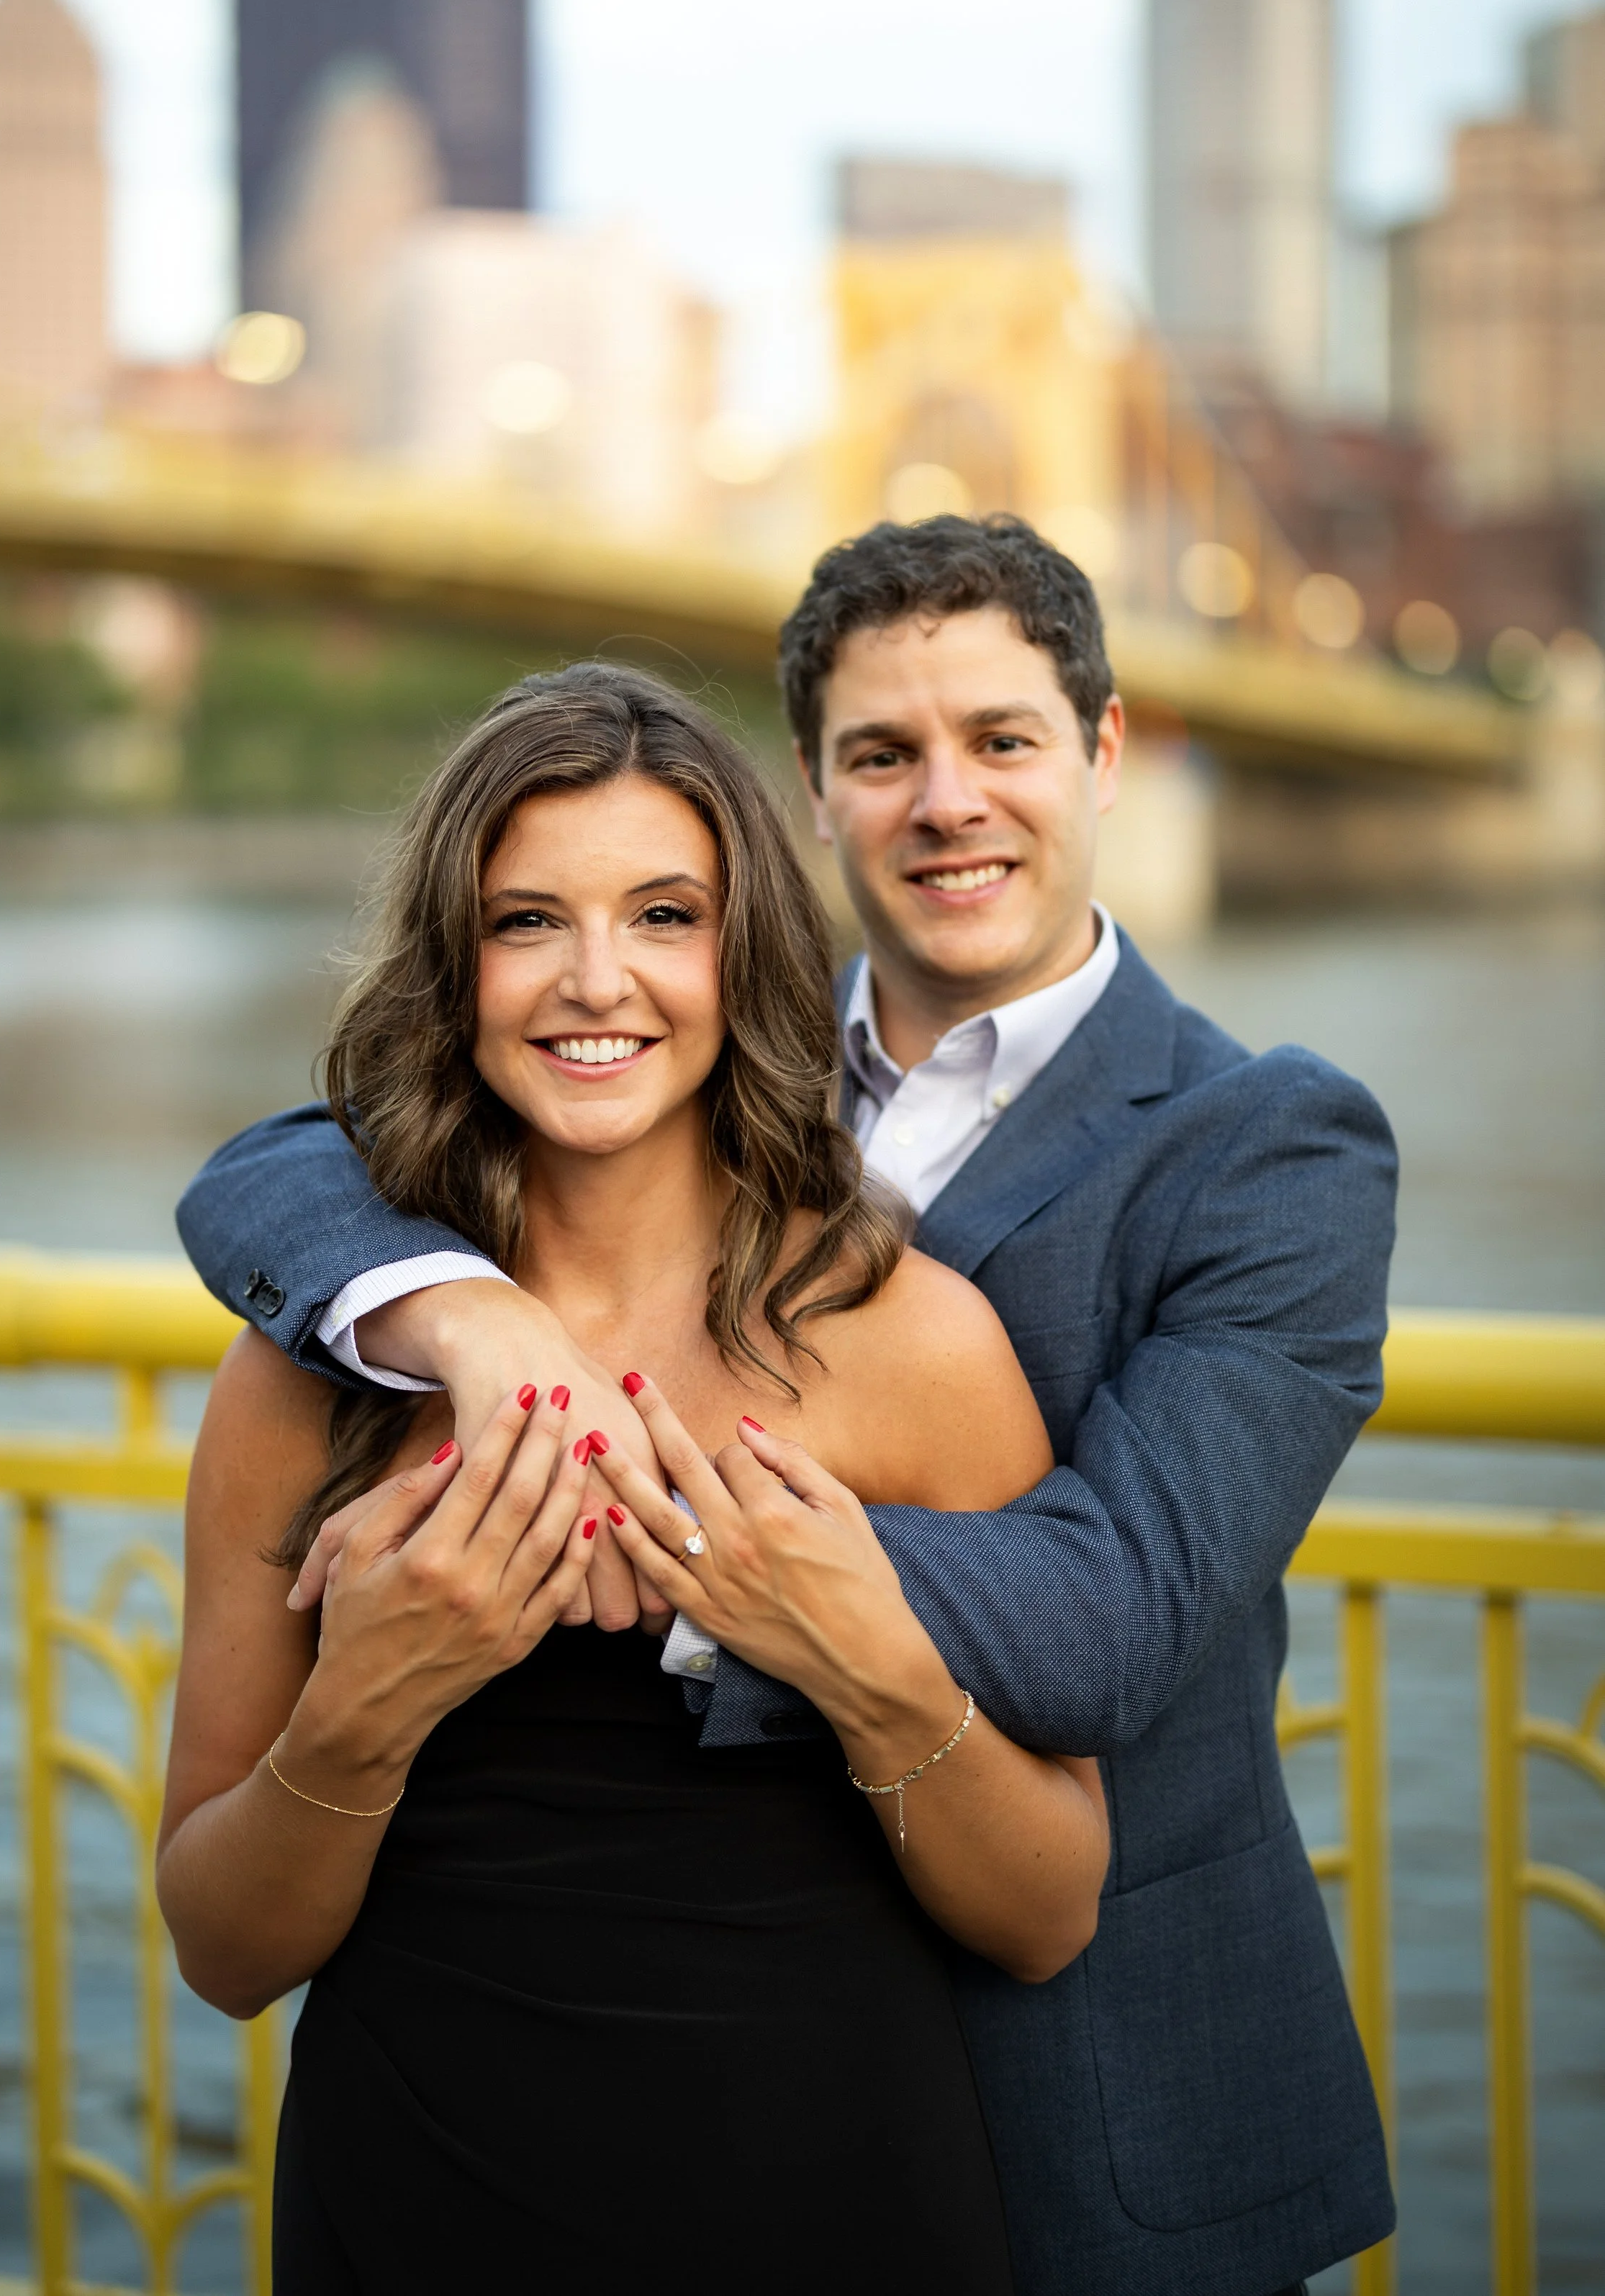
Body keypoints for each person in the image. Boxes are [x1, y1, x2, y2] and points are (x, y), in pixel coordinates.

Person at [178, 513, 1400, 2296]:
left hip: (1037, 2111)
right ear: (811, 803)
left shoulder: (1261, 1151)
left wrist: (616, 1509)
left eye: (999, 740)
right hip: (442, 2143)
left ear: (1103, 751)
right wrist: (460, 1326)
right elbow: (281, 1172)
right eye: (880, 755)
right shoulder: (684, 1075)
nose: (944, 801)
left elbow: (1124, 1613)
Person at [157, 665, 1111, 2292]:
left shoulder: (914, 1344)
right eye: (526, 920)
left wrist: (856, 1658)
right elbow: (225, 1952)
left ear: (740, 958)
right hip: (413, 2197)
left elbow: (1044, 1914)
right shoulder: (308, 1379)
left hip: (834, 2198)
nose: (595, 981)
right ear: (451, 966)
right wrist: (369, 1701)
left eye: (663, 915)